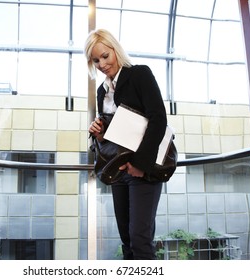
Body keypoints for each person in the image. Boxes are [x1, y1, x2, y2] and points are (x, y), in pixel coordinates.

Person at [84, 29, 167, 260]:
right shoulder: (102, 91)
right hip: (118, 170)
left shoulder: (139, 74)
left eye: (105, 56)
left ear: (115, 50)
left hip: (142, 168)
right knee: (127, 240)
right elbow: (114, 135)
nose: (101, 64)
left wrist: (140, 164)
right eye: (96, 60)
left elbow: (158, 118)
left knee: (140, 239)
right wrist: (99, 134)